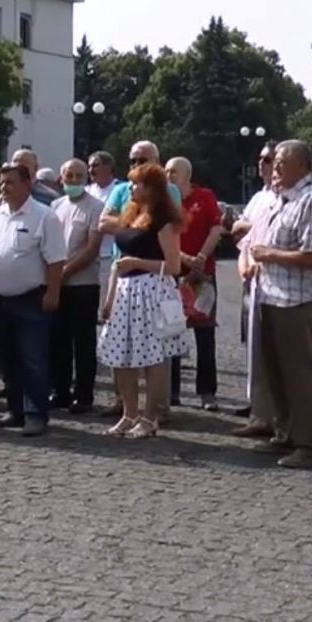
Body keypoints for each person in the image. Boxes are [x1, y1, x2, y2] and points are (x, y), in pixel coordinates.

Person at [236, 139, 312, 469]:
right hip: (268, 295)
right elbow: (251, 240)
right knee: (273, 370)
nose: (274, 169)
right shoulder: (276, 200)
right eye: (273, 162)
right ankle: (284, 433)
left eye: (281, 163)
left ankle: (308, 443)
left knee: (300, 374)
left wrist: (270, 255)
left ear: (302, 167)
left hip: (296, 300)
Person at [0, 162, 66, 436]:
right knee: (5, 358)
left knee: (33, 358)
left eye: (11, 182)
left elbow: (55, 260)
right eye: (2, 182)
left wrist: (53, 292)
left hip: (30, 298)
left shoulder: (44, 216)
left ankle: (35, 413)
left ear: (28, 184)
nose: (4, 187)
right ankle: (15, 409)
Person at [98, 162, 185, 437]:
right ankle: (129, 413)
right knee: (120, 355)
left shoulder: (163, 221)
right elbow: (118, 262)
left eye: (137, 183)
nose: (131, 188)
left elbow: (173, 266)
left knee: (152, 357)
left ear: (152, 189)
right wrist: (110, 296)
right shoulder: (129, 214)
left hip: (151, 291)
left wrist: (139, 262)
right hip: (125, 289)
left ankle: (149, 418)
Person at [48, 159, 105, 414]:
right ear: (61, 178)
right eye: (69, 175)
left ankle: (84, 395)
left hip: (83, 284)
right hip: (57, 283)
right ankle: (60, 391)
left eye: (78, 175)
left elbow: (91, 249)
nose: (73, 180)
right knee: (58, 341)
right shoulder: (55, 206)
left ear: (86, 178)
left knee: (83, 343)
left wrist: (63, 273)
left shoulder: (96, 207)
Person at [167, 157, 223, 411]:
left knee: (205, 335)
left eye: (174, 172)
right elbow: (162, 239)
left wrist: (200, 257)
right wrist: (185, 258)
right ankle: (171, 391)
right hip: (174, 275)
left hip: (203, 277)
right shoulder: (165, 203)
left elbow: (216, 229)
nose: (169, 176)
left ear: (187, 175)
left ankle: (207, 393)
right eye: (166, 172)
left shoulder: (205, 196)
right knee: (172, 333)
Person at [231, 142, 276, 421]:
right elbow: (237, 231)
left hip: (273, 280)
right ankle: (256, 402)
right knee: (252, 344)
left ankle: (270, 407)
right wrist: (244, 264)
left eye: (268, 159)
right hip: (250, 276)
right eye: (260, 158)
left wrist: (253, 226)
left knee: (271, 346)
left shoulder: (283, 197)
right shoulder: (259, 197)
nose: (263, 163)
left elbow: (257, 229)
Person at [85, 151, 120, 288]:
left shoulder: (120, 190)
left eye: (95, 165)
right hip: (88, 258)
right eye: (89, 166)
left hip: (108, 256)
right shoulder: (87, 191)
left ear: (108, 167)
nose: (91, 170)